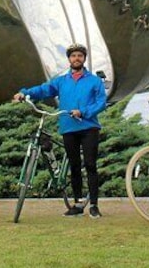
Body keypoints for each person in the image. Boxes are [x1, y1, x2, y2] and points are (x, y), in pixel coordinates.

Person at [12, 43, 107, 219]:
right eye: (73, 56)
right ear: (69, 59)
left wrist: (84, 112)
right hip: (68, 127)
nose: (76, 58)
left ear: (84, 59)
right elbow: (43, 89)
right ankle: (78, 204)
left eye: (80, 55)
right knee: (74, 165)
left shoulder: (94, 81)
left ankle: (94, 204)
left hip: (89, 127)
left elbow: (101, 102)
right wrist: (24, 93)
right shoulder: (62, 81)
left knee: (91, 165)